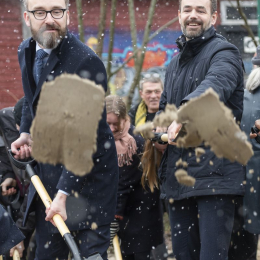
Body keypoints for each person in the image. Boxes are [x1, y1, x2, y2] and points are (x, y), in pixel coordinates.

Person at [11, 0, 118, 259]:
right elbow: (31, 99)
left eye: (57, 11)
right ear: (27, 17)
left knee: (90, 256)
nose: (50, 19)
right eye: (40, 12)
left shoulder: (85, 62)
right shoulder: (26, 50)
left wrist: (64, 193)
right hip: (51, 178)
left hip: (91, 182)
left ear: (67, 14)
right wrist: (26, 132)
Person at [157, 0, 245, 259]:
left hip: (215, 177)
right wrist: (159, 128)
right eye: (187, 10)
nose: (193, 16)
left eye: (200, 10)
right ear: (179, 15)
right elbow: (164, 112)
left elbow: (215, 85)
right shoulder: (174, 65)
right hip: (178, 178)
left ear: (214, 17)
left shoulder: (225, 53)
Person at [106, 95, 164, 260]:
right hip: (126, 213)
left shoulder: (133, 143)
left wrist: (114, 216)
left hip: (142, 213)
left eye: (115, 124)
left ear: (124, 119)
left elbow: (124, 182)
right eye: (107, 123)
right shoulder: (106, 140)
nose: (111, 128)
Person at [229, 47, 260, 260]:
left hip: (242, 183)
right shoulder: (245, 96)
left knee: (243, 246)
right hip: (248, 182)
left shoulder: (244, 95)